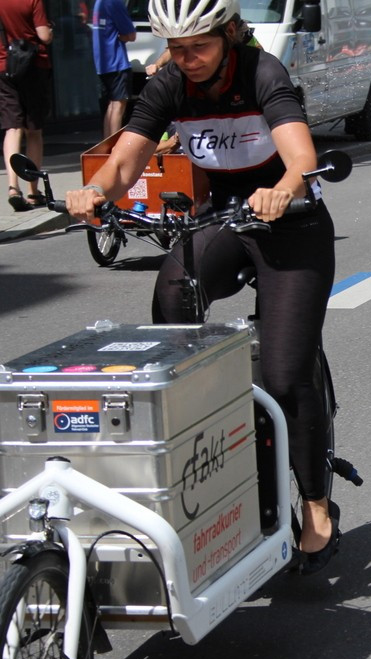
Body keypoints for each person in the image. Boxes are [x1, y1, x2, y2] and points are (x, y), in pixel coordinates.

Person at [66, 0, 342, 575]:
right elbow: (123, 164)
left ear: (228, 36)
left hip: (291, 224)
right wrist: (95, 191)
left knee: (287, 374)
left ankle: (316, 504)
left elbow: (301, 158)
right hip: (224, 218)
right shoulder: (170, 82)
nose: (186, 60)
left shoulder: (262, 72)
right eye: (176, 48)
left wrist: (284, 190)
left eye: (199, 47)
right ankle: (204, 444)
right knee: (171, 298)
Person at [0, 0, 52, 212]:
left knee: (12, 128)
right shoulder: (32, 0)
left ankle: (13, 187)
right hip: (33, 66)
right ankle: (33, 191)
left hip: (4, 66)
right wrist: (50, 30)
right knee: (34, 131)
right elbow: (44, 36)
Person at [92, 0, 136, 139]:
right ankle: (114, 146)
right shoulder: (115, 2)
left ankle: (106, 147)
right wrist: (121, 36)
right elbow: (131, 35)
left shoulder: (100, 2)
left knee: (111, 105)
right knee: (118, 105)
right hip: (117, 62)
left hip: (103, 63)